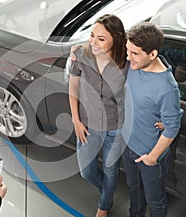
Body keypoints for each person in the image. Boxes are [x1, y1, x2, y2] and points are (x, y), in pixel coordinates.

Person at [68, 14, 128, 217]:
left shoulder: (128, 62)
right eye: (92, 35)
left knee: (111, 171)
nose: (93, 42)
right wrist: (75, 120)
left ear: (116, 39)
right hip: (87, 124)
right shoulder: (81, 55)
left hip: (116, 126)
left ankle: (105, 204)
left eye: (101, 38)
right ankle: (108, 192)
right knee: (86, 170)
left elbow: (155, 62)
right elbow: (73, 86)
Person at [121, 22, 183, 217]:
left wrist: (151, 158)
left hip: (149, 157)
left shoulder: (167, 88)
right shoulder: (135, 64)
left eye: (134, 53)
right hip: (128, 145)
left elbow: (172, 127)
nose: (128, 57)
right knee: (134, 190)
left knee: (155, 202)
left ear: (153, 54)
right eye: (127, 51)